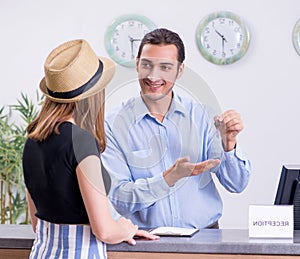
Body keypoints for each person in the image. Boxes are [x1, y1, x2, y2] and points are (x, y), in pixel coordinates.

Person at [101, 28, 251, 230]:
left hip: (205, 239)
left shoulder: (202, 117)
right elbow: (121, 199)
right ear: (137, 65)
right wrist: (168, 178)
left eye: (165, 67)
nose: (153, 76)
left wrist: (229, 144)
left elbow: (236, 183)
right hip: (146, 243)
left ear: (179, 70)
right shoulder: (113, 124)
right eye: (147, 65)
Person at [22, 39, 159, 259]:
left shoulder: (32, 139)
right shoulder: (81, 141)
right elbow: (104, 230)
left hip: (41, 252)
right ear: (94, 93)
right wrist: (125, 229)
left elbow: (37, 223)